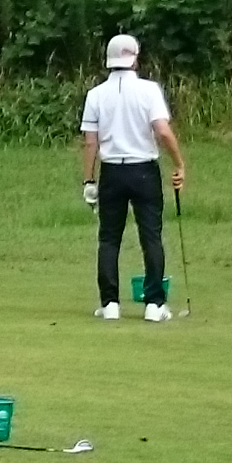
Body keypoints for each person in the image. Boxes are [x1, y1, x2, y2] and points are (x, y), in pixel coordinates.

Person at [75, 33, 186, 321]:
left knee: (109, 238)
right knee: (151, 236)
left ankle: (110, 304)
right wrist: (179, 163)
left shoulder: (96, 95)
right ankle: (154, 304)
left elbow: (90, 142)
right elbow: (162, 131)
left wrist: (89, 180)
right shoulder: (149, 90)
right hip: (144, 170)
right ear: (135, 58)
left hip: (112, 171)